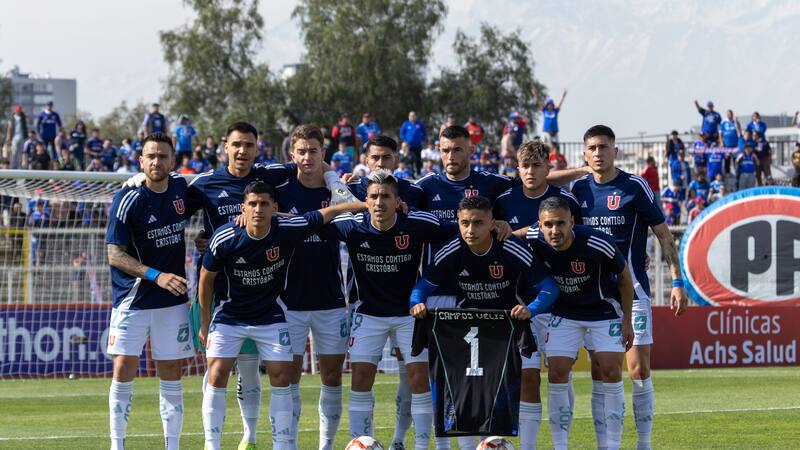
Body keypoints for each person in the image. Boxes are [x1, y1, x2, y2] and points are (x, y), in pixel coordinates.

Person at [198, 181, 366, 450]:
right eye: (252, 204)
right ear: (243, 208)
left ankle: (282, 445)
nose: (258, 209)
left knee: (282, 375)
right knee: (217, 373)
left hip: (270, 316)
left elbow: (329, 213)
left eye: (264, 204)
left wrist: (366, 205)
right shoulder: (226, 236)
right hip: (230, 315)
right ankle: (212, 445)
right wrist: (205, 322)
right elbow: (206, 280)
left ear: (275, 208)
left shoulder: (287, 228)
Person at [569, 125, 687, 450]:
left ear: (615, 151)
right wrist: (580, 171)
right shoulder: (577, 190)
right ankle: (607, 444)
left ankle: (644, 444)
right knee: (602, 372)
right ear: (584, 153)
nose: (597, 153)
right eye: (591, 148)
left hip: (633, 291)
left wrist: (677, 281)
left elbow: (664, 235)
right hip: (595, 296)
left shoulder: (635, 186)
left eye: (603, 147)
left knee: (638, 369)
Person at [410, 195, 559, 450]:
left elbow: (549, 287)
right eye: (465, 223)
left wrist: (531, 309)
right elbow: (422, 286)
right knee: (466, 391)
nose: (470, 230)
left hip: (509, 324)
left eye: (478, 223)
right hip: (468, 326)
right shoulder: (453, 248)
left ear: (492, 223)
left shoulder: (509, 246)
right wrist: (417, 303)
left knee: (529, 381)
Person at [326, 170, 457, 450]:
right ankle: (361, 444)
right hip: (368, 314)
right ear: (365, 200)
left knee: (419, 378)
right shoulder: (352, 226)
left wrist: (498, 226)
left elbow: (462, 229)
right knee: (361, 378)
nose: (378, 202)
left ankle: (424, 446)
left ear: (398, 201)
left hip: (410, 314)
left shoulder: (417, 223)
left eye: (385, 196)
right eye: (373, 196)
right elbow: (311, 223)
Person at [414, 124, 517, 450]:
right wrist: (341, 179)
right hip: (437, 292)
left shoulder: (492, 182)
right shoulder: (425, 186)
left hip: (477, 294)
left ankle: (484, 441)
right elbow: (385, 193)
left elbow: (533, 181)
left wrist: (506, 224)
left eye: (457, 149)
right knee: (440, 378)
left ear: (471, 150)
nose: (450, 156)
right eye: (445, 150)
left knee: (479, 377)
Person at [523, 196, 634, 450]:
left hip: (604, 310)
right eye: (548, 224)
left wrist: (627, 321)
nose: (555, 230)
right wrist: (500, 227)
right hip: (564, 312)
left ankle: (612, 446)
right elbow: (517, 233)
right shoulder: (534, 236)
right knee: (557, 372)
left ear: (572, 221)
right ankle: (560, 446)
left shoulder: (597, 243)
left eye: (561, 223)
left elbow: (625, 279)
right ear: (539, 225)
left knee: (611, 370)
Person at [105, 132, 193, 450]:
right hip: (133, 299)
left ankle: (172, 446)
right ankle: (118, 445)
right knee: (123, 366)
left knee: (171, 370)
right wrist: (156, 275)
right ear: (141, 161)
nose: (157, 161)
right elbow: (115, 254)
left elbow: (211, 206)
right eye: (150, 156)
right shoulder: (128, 198)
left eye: (163, 156)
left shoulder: (183, 190)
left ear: (173, 160)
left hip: (172, 301)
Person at [494, 139, 582, 450]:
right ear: (517, 169)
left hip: (562, 305)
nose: (531, 171)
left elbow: (581, 242)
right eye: (525, 166)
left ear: (549, 168)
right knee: (528, 380)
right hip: (521, 303)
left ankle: (561, 444)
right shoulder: (503, 200)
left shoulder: (565, 200)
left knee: (560, 375)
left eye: (537, 165)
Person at [344, 135, 424, 448]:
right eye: (375, 158)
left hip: (408, 307)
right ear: (366, 158)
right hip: (365, 305)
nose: (380, 163)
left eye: (386, 158)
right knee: (361, 377)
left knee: (413, 378)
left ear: (396, 160)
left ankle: (401, 441)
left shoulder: (415, 192)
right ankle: (359, 443)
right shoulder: (351, 188)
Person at [5, 104, 28, 169]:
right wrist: (8, 138)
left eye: (19, 110)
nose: (18, 112)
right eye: (17, 110)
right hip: (14, 137)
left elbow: (27, 125)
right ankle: (12, 166)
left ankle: (19, 166)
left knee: (21, 152)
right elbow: (9, 129)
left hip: (22, 136)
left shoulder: (23, 117)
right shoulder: (12, 117)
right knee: (14, 152)